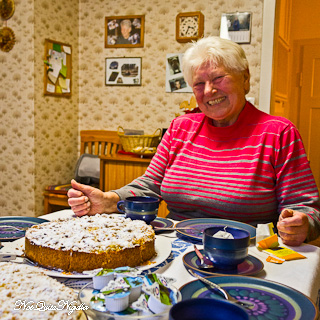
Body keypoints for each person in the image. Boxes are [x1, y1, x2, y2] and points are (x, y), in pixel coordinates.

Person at [68, 36, 320, 246]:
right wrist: (110, 200)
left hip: (242, 252)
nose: (209, 90)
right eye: (199, 83)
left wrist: (301, 223)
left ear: (245, 78)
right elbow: (150, 183)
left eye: (219, 78)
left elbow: (306, 208)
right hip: (173, 243)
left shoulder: (278, 133)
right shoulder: (181, 128)